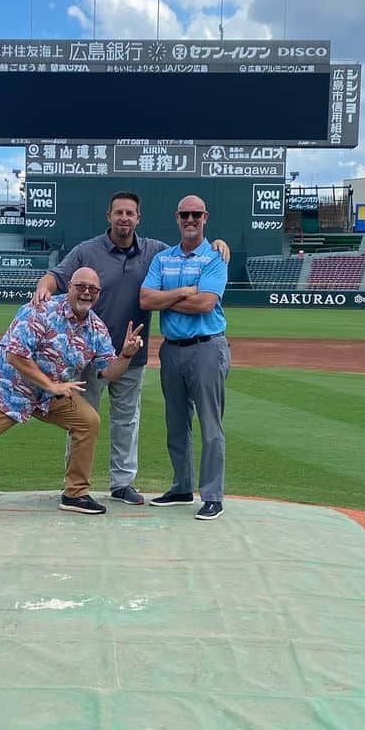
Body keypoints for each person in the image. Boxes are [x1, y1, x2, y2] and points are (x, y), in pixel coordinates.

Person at [33, 191, 229, 505]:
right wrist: (43, 287)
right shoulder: (88, 250)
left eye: (130, 213)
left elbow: (196, 258)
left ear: (138, 219)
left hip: (130, 353)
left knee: (126, 421)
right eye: (119, 212)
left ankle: (122, 483)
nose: (124, 218)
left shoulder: (155, 251)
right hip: (88, 353)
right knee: (82, 420)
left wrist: (219, 243)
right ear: (109, 216)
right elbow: (59, 277)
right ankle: (74, 486)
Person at [0, 267, 144, 517]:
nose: (86, 293)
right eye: (80, 287)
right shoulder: (41, 310)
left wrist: (126, 355)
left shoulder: (96, 329)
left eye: (93, 289)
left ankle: (75, 494)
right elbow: (15, 355)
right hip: (5, 387)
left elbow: (108, 372)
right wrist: (52, 385)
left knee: (87, 421)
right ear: (69, 286)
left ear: (99, 294)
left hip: (47, 396)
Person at [139, 195, 230, 521]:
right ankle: (181, 486)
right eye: (184, 215)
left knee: (210, 426)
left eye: (196, 214)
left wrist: (168, 298)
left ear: (205, 217)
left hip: (207, 347)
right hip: (172, 349)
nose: (190, 219)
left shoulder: (215, 256)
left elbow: (204, 304)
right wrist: (183, 292)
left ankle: (212, 496)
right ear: (177, 218)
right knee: (176, 424)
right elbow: (146, 299)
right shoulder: (163, 258)